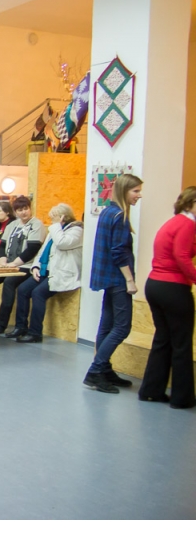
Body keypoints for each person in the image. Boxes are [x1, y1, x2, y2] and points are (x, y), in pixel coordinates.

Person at [84, 173, 143, 394]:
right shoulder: (120, 216)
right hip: (118, 279)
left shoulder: (107, 212)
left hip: (107, 278)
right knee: (122, 327)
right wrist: (130, 280)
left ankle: (105, 369)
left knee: (107, 325)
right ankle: (96, 370)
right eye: (135, 191)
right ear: (124, 191)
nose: (139, 195)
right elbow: (119, 252)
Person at [138, 186, 196, 409]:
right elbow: (181, 256)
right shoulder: (188, 224)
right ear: (191, 203)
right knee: (181, 344)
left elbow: (179, 251)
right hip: (174, 288)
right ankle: (182, 399)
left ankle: (151, 391)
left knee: (163, 339)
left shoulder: (173, 222)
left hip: (155, 285)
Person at [6, 203, 83, 343]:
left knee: (38, 293)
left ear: (63, 217)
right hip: (44, 270)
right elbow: (43, 251)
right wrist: (35, 267)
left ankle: (35, 333)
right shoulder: (55, 230)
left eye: (54, 217)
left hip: (61, 273)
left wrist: (56, 226)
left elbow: (62, 243)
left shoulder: (77, 230)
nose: (52, 220)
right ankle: (20, 327)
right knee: (23, 289)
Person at [0, 195, 47, 333]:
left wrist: (14, 263)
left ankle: (2, 323)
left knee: (9, 282)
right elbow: (2, 245)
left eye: (25, 209)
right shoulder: (12, 225)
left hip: (26, 266)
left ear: (30, 208)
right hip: (8, 264)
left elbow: (32, 249)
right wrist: (2, 260)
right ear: (15, 212)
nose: (23, 212)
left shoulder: (36, 224)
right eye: (19, 210)